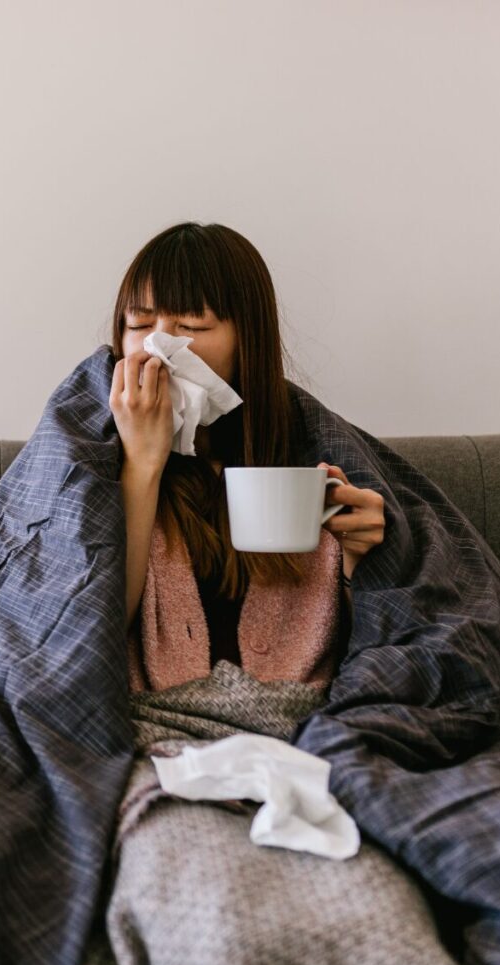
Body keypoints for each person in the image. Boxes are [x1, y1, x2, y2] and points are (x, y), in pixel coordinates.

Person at [107, 221, 387, 690]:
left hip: (301, 726)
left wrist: (360, 563)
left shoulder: (310, 451)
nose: (157, 346)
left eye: (191, 325)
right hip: (158, 729)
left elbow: (379, 650)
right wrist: (141, 463)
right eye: (138, 325)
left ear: (247, 338)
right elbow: (85, 634)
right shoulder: (90, 459)